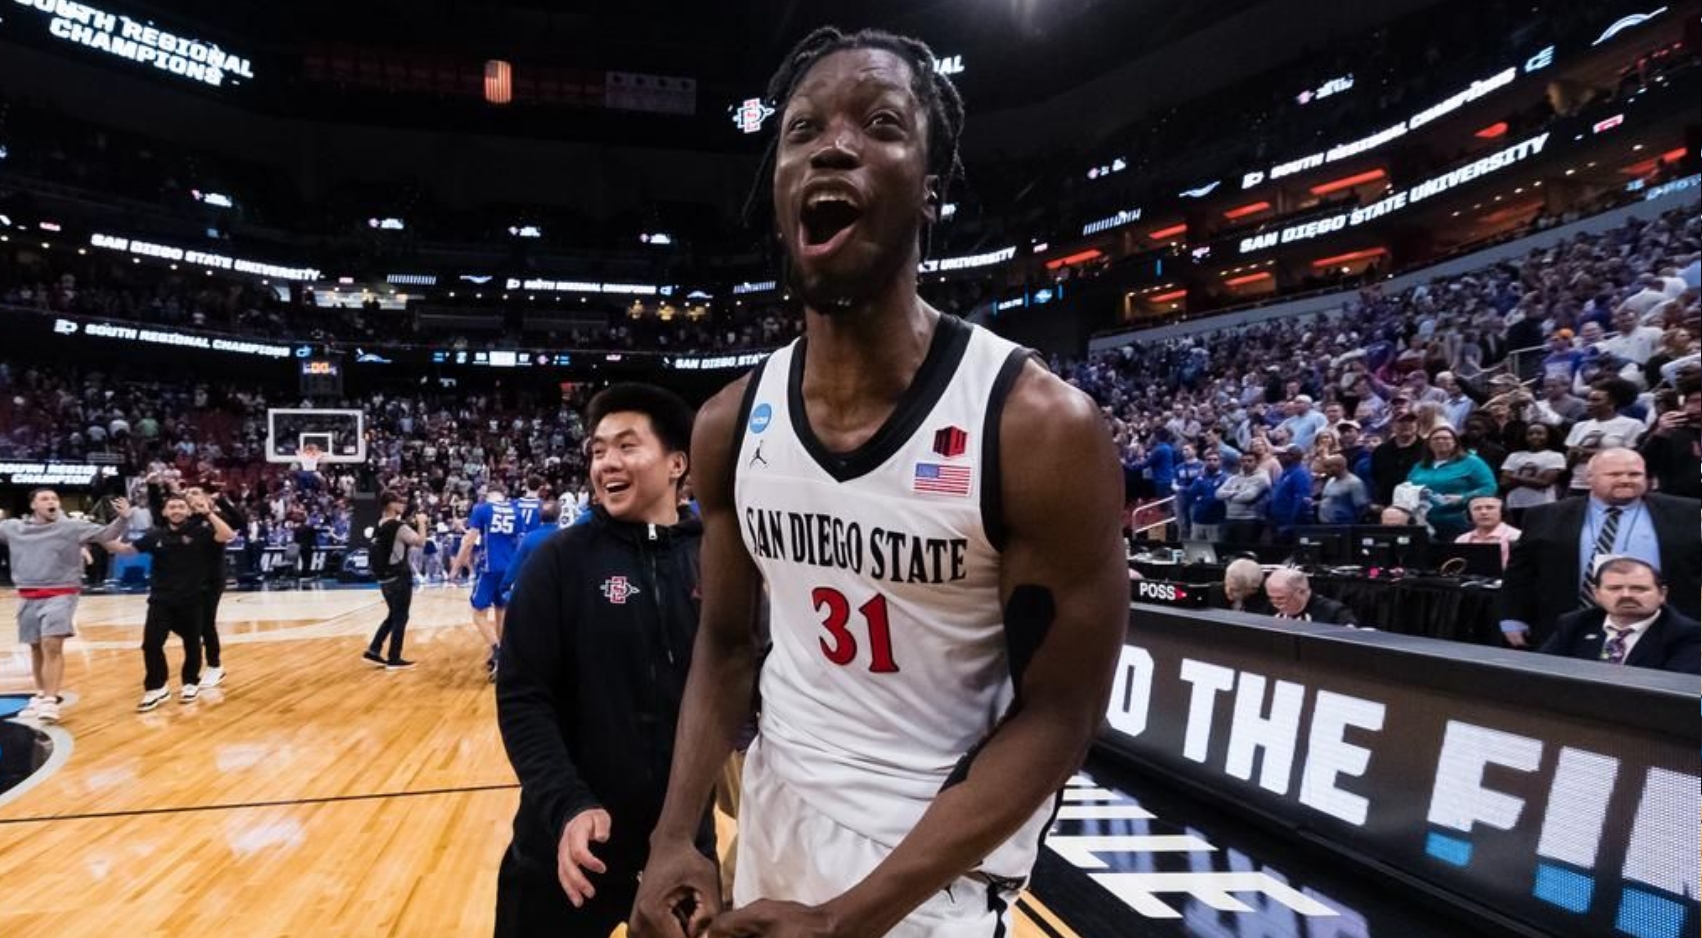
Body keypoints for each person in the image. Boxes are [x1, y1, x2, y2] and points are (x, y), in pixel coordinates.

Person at [629, 28, 1127, 938]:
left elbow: (1061, 715)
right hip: (779, 810)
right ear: (780, 191)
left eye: (882, 123)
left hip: (932, 866)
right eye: (802, 129)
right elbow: (728, 646)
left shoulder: (1035, 428)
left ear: (930, 192)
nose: (834, 143)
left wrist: (851, 918)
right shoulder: (729, 424)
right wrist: (674, 834)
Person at [496, 384, 713, 937]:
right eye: (597, 451)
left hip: (682, 852)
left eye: (626, 446)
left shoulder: (716, 560)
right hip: (566, 851)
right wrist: (567, 805)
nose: (606, 463)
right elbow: (523, 699)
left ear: (677, 463)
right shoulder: (556, 563)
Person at [1499, 449, 1700, 649]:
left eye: (1634, 474)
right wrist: (1513, 617)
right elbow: (1520, 574)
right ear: (1589, 478)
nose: (1625, 480)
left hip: (1667, 632)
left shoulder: (1687, 512)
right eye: (1614, 474)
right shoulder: (1544, 516)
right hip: (1568, 628)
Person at [0, 490, 132, 724]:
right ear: (33, 505)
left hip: (61, 592)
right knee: (36, 647)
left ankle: (51, 700)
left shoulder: (72, 527)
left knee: (52, 644)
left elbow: (108, 534)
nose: (51, 502)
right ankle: (41, 695)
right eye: (45, 499)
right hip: (27, 594)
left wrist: (123, 518)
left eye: (54, 499)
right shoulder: (12, 527)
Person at [112, 492, 235, 711]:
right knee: (150, 644)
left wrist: (208, 513)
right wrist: (121, 521)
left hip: (193, 598)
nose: (176, 510)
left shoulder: (201, 532)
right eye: (172, 507)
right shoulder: (155, 535)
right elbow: (123, 550)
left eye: (181, 506)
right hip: (161, 599)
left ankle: (190, 682)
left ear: (188, 511)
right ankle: (157, 687)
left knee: (192, 643)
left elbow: (227, 535)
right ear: (164, 511)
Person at [1539, 558, 1699, 674]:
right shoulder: (1575, 624)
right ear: (1597, 594)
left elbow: (1676, 693)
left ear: (1662, 594)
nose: (1626, 595)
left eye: (1639, 589)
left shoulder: (1686, 634)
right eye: (1614, 588)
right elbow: (1540, 672)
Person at [453, 489, 522, 681]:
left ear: (488, 498)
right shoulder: (516, 511)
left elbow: (468, 542)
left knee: (478, 613)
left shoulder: (482, 509)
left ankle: (498, 651)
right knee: (501, 611)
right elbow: (519, 541)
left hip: (489, 567)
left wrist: (456, 567)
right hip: (510, 567)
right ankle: (502, 658)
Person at [184, 482, 246, 688]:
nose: (190, 496)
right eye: (188, 493)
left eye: (195, 492)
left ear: (206, 498)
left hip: (211, 578)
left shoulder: (217, 519)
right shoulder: (184, 519)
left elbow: (239, 522)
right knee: (188, 624)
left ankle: (215, 666)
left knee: (206, 622)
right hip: (187, 579)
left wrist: (219, 502)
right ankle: (200, 657)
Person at [363, 491, 429, 670]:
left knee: (393, 615)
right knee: (401, 617)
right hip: (399, 577)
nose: (403, 505)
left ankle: (374, 649)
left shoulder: (379, 525)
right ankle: (394, 658)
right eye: (400, 502)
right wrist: (422, 523)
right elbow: (420, 542)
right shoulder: (398, 526)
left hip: (384, 579)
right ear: (391, 505)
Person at [1405, 426, 1497, 542]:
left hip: (1458, 521)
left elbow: (1489, 487)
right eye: (1436, 439)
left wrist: (1464, 498)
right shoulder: (1420, 466)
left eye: (1446, 438)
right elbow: (1406, 488)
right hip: (1423, 522)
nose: (1441, 441)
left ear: (1455, 442)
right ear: (1428, 444)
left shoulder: (1472, 462)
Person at [1563, 380, 1646, 496]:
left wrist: (1586, 452)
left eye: (1595, 400)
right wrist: (1576, 453)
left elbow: (1631, 457)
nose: (1588, 404)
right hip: (1579, 484)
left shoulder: (1633, 425)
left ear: (1612, 403)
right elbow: (1569, 460)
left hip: (1613, 486)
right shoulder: (1579, 426)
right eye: (1588, 399)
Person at [500, 500, 563, 604]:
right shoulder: (568, 538)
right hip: (559, 594)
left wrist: (505, 586)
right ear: (559, 516)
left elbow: (515, 566)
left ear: (539, 515)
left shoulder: (528, 538)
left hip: (533, 593)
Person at [1499, 423, 1566, 521]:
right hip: (1516, 504)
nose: (1534, 436)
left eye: (1540, 433)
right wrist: (1535, 479)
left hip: (1542, 504)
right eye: (1530, 434)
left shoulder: (1555, 456)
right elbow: (1504, 483)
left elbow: (1545, 483)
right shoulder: (1514, 456)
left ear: (1548, 436)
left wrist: (1515, 477)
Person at [1263, 568, 1358, 625]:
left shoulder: (1333, 611)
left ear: (1300, 592)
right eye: (1271, 597)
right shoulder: (1271, 606)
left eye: (1281, 598)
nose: (1275, 603)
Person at [1216, 451, 1272, 546]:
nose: (1246, 463)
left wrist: (1228, 497)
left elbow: (1248, 497)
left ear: (1257, 462)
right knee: (1225, 550)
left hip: (1249, 520)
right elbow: (1217, 494)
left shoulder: (1262, 478)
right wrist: (1234, 493)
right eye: (1243, 461)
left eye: (1250, 461)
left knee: (1245, 551)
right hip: (1229, 518)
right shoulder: (1233, 478)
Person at [1370, 412, 1424, 506]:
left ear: (1417, 425)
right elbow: (1375, 478)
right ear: (1392, 425)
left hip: (1421, 504)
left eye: (1410, 421)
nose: (1406, 425)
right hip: (1388, 505)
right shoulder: (1380, 451)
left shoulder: (1428, 449)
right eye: (1401, 422)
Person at [1453, 495, 1521, 567]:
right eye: (1477, 508)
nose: (1483, 512)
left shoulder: (1518, 536)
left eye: (1490, 508)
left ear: (1502, 512)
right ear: (1469, 514)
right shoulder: (1461, 540)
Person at [1267, 445, 1315, 541]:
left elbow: (1302, 500)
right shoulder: (1286, 472)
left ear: (1291, 456)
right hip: (1278, 522)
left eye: (1282, 455)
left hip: (1289, 525)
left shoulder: (1300, 473)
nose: (1278, 458)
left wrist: (1292, 524)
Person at [1185, 450, 1228, 543]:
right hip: (1198, 519)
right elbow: (1191, 493)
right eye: (1208, 460)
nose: (1211, 462)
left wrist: (1202, 497)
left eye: (1215, 460)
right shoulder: (1199, 477)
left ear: (1221, 462)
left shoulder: (1225, 478)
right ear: (1205, 462)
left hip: (1216, 521)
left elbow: (1215, 497)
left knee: (1215, 549)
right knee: (1195, 548)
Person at [1318, 454, 1369, 525]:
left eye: (1328, 467)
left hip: (1343, 525)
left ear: (1339, 466)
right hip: (1325, 524)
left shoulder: (1354, 483)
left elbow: (1362, 507)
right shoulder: (1330, 480)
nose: (1325, 470)